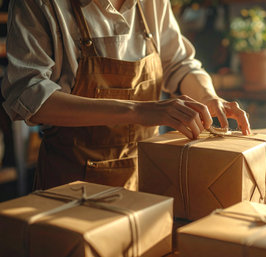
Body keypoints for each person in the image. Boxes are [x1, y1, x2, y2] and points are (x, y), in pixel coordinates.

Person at [1, 0, 251, 191]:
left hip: (148, 178)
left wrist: (208, 96)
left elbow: (180, 63)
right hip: (71, 185)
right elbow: (28, 94)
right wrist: (138, 111)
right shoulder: (39, 4)